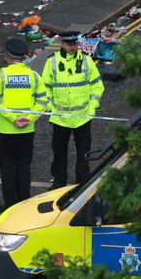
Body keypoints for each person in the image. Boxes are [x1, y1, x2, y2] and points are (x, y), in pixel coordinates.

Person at [0, 38, 47, 210]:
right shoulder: (34, 76)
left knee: (7, 167)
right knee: (23, 165)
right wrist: (28, 118)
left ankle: (9, 204)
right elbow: (42, 101)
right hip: (27, 130)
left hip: (5, 130)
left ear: (7, 57)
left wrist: (13, 119)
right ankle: (24, 202)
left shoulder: (0, 76)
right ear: (23, 57)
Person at [42, 31, 104, 189]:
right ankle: (59, 181)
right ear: (62, 44)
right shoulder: (52, 62)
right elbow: (45, 89)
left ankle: (82, 181)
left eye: (75, 44)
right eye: (69, 44)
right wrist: (51, 108)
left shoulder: (86, 60)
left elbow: (97, 86)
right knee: (59, 152)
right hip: (60, 117)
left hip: (82, 116)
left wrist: (91, 107)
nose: (73, 47)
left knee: (84, 152)